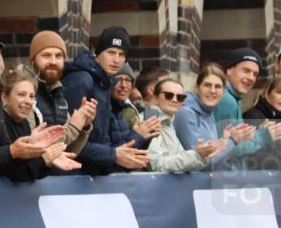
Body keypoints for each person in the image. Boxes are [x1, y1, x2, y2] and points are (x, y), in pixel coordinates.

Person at [0, 66, 80, 181]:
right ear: (4, 97)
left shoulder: (24, 123)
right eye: (21, 95)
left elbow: (29, 172)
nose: (28, 101)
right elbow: (13, 173)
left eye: (32, 96)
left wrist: (47, 158)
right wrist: (43, 159)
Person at [62, 26, 149, 174]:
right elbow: (70, 141)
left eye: (121, 54)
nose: (116, 60)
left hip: (94, 174)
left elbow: (102, 139)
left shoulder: (105, 82)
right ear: (98, 52)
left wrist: (134, 143)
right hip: (73, 175)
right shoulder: (82, 80)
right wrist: (113, 155)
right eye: (111, 52)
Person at [173, 64, 257, 170]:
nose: (212, 90)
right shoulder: (186, 113)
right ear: (197, 88)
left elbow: (211, 153)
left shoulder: (209, 110)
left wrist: (225, 139)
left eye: (218, 86)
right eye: (207, 85)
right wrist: (232, 141)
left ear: (223, 91)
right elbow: (201, 163)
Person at [27, 30, 96, 154]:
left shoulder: (59, 96)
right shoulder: (26, 94)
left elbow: (68, 150)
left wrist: (83, 126)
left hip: (57, 172)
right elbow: (34, 146)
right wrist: (74, 126)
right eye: (46, 55)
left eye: (58, 56)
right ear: (32, 61)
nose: (53, 61)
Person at [212, 47, 280, 169]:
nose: (251, 78)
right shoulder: (227, 100)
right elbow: (226, 149)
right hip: (226, 177)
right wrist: (265, 135)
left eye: (255, 74)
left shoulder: (234, 99)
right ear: (229, 70)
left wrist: (258, 133)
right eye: (246, 70)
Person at [147, 77, 227, 172]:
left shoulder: (169, 123)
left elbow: (179, 161)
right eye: (169, 95)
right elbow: (157, 165)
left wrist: (203, 155)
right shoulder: (148, 121)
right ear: (155, 98)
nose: (175, 100)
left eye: (180, 97)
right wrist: (198, 155)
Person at [242, 75, 281, 170]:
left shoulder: (276, 116)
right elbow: (253, 155)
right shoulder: (253, 116)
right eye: (279, 93)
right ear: (266, 93)